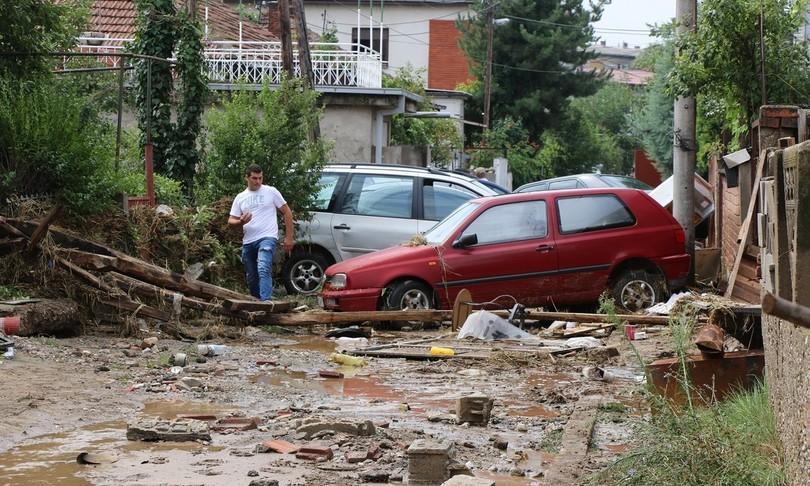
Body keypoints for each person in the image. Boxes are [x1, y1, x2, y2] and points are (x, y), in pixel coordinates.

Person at [228, 164, 294, 301]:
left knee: (263, 267)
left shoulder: (271, 191)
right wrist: (240, 222)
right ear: (247, 177)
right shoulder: (240, 197)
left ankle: (266, 302)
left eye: (260, 178)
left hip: (267, 237)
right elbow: (231, 221)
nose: (258, 181)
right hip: (249, 241)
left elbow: (287, 212)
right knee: (252, 276)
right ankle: (256, 302)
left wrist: (289, 238)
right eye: (254, 178)